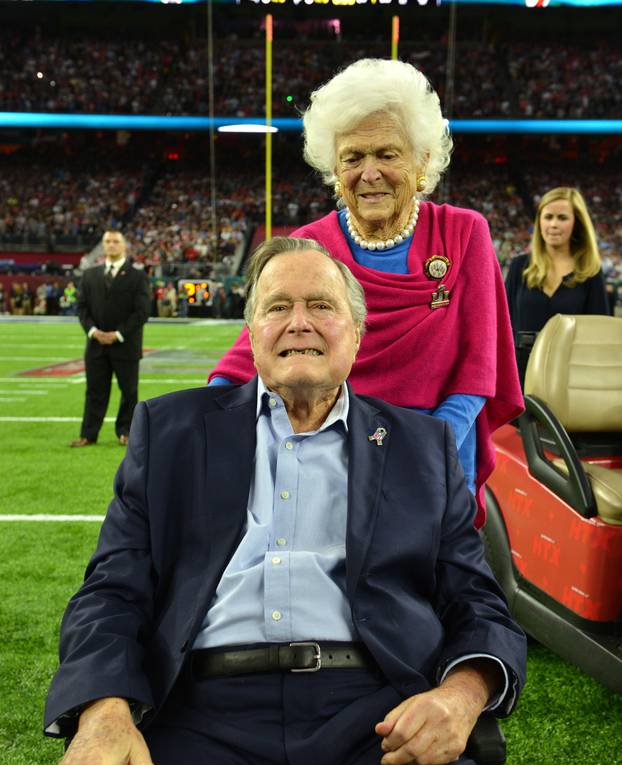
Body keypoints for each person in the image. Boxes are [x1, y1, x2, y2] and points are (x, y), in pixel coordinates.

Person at [21, 238, 526, 765]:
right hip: (198, 726)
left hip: (377, 721)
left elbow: (478, 602)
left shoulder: (421, 447)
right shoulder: (170, 431)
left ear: (357, 330)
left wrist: (462, 694)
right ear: (252, 330)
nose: (299, 322)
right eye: (277, 305)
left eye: (321, 304)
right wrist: (103, 709)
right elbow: (111, 593)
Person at [209, 58, 523, 528]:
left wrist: (423, 453)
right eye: (353, 158)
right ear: (335, 169)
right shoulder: (310, 245)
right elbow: (250, 352)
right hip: (329, 455)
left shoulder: (464, 234)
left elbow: (477, 370)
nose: (369, 173)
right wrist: (203, 425)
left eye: (387, 154)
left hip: (433, 454)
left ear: (421, 161)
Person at [504, 187, 609, 387]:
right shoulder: (519, 266)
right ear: (539, 221)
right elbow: (502, 323)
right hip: (519, 378)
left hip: (572, 379)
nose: (553, 224)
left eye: (562, 218)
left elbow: (599, 336)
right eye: (548, 217)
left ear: (577, 223)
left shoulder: (591, 272)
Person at [70, 229, 151, 448]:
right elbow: (81, 308)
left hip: (125, 345)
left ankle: (126, 432)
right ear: (103, 245)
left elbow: (142, 312)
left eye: (116, 241)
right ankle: (88, 434)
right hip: (95, 345)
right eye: (107, 241)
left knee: (129, 391)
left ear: (124, 246)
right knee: (94, 391)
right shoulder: (90, 275)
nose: (111, 245)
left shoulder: (138, 276)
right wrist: (93, 332)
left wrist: (118, 334)